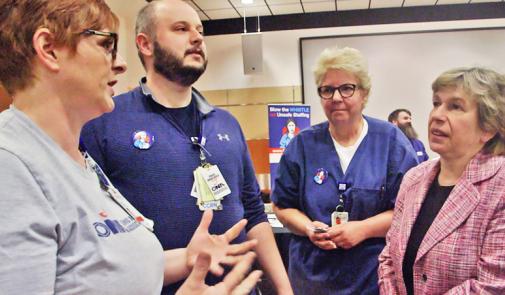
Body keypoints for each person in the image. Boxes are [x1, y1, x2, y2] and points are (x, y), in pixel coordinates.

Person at [0, 0, 263, 294]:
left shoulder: (74, 158)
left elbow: (100, 271)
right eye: (105, 44)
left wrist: (187, 258)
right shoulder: (10, 165)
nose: (122, 63)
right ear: (49, 49)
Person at [80, 0, 293, 294]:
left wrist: (285, 289)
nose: (196, 38)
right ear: (145, 44)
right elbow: (92, 238)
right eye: (181, 29)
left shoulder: (226, 123)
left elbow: (254, 213)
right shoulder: (104, 122)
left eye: (199, 31)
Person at [270, 46, 418, 294]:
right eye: (327, 90)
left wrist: (363, 229)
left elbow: (409, 209)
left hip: (372, 278)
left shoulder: (391, 141)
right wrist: (308, 227)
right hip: (313, 278)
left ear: (364, 93)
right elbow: (282, 205)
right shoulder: (302, 145)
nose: (336, 97)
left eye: (346, 88)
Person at [378, 67, 505, 294]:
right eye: (436, 103)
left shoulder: (500, 186)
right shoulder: (414, 178)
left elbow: (493, 286)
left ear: (489, 127)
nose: (436, 115)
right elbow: (389, 256)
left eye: (455, 107)